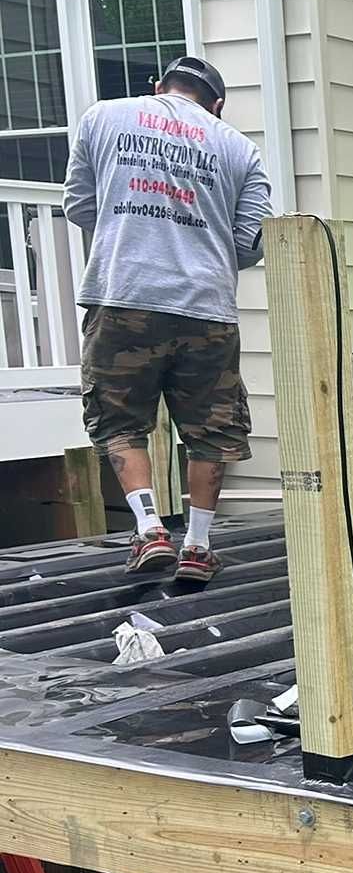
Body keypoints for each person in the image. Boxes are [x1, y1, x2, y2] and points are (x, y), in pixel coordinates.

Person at [63, 55, 272, 583]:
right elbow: (249, 242)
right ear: (217, 105)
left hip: (124, 295)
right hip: (206, 308)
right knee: (212, 430)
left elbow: (80, 207)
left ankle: (150, 529)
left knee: (119, 420)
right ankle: (198, 546)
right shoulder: (239, 149)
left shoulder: (103, 116)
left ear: (158, 88)